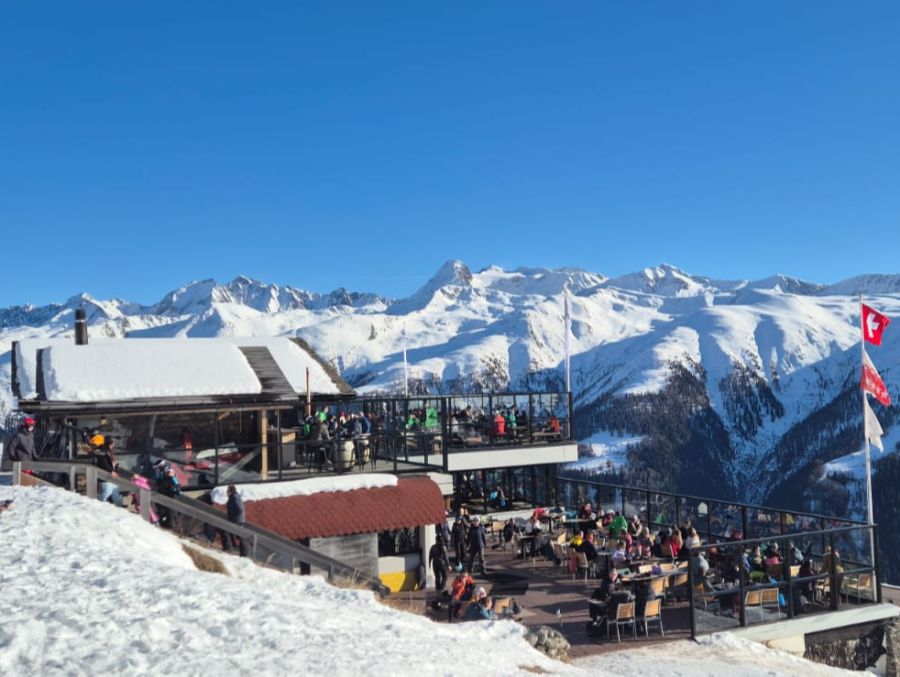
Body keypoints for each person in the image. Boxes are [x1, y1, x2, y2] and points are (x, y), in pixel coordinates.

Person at [94, 438, 123, 507]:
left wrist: (115, 467)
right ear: (109, 443)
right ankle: (96, 504)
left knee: (115, 491)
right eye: (112, 444)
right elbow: (104, 465)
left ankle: (119, 508)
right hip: (105, 476)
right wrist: (111, 471)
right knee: (108, 491)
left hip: (111, 476)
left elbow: (110, 463)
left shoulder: (109, 451)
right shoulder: (103, 452)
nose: (113, 445)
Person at [223, 484, 248, 556]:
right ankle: (232, 548)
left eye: (227, 491)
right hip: (236, 520)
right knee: (235, 535)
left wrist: (234, 517)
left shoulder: (235, 498)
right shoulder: (233, 497)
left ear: (230, 491)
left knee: (239, 536)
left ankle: (242, 552)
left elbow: (239, 509)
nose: (226, 492)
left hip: (237, 521)